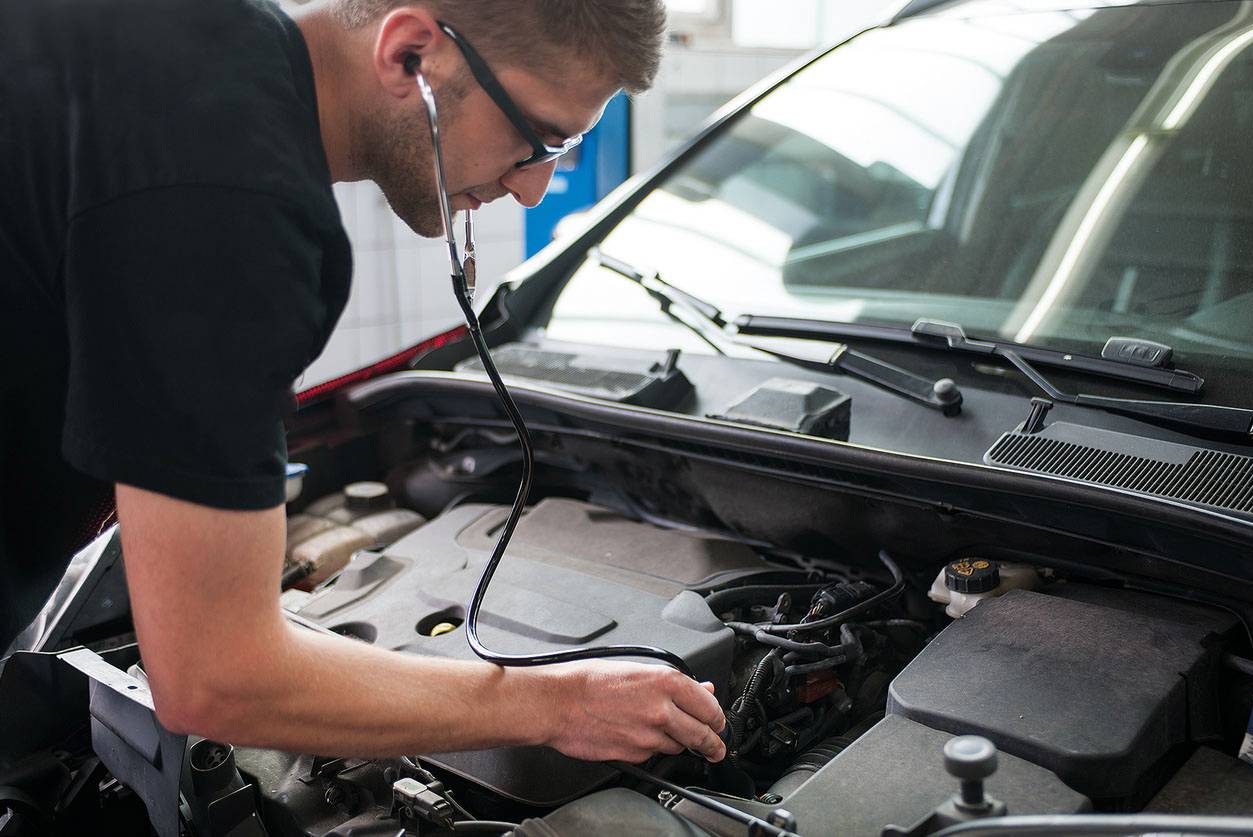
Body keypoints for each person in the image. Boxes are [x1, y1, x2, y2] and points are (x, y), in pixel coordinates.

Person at [0, 0, 728, 765]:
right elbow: (216, 677)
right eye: (537, 139)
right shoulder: (232, 204)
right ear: (411, 53)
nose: (536, 189)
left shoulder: (175, 46)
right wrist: (561, 703)